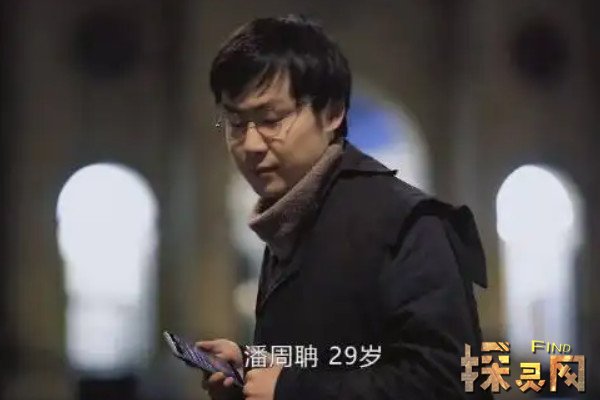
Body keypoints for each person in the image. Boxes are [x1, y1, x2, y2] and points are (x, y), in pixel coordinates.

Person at [197, 14, 492, 400]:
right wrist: (252, 368)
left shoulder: (407, 224)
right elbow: (331, 352)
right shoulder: (289, 219)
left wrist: (290, 390)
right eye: (236, 124)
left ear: (333, 113)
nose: (251, 144)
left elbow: (449, 381)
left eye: (271, 120)